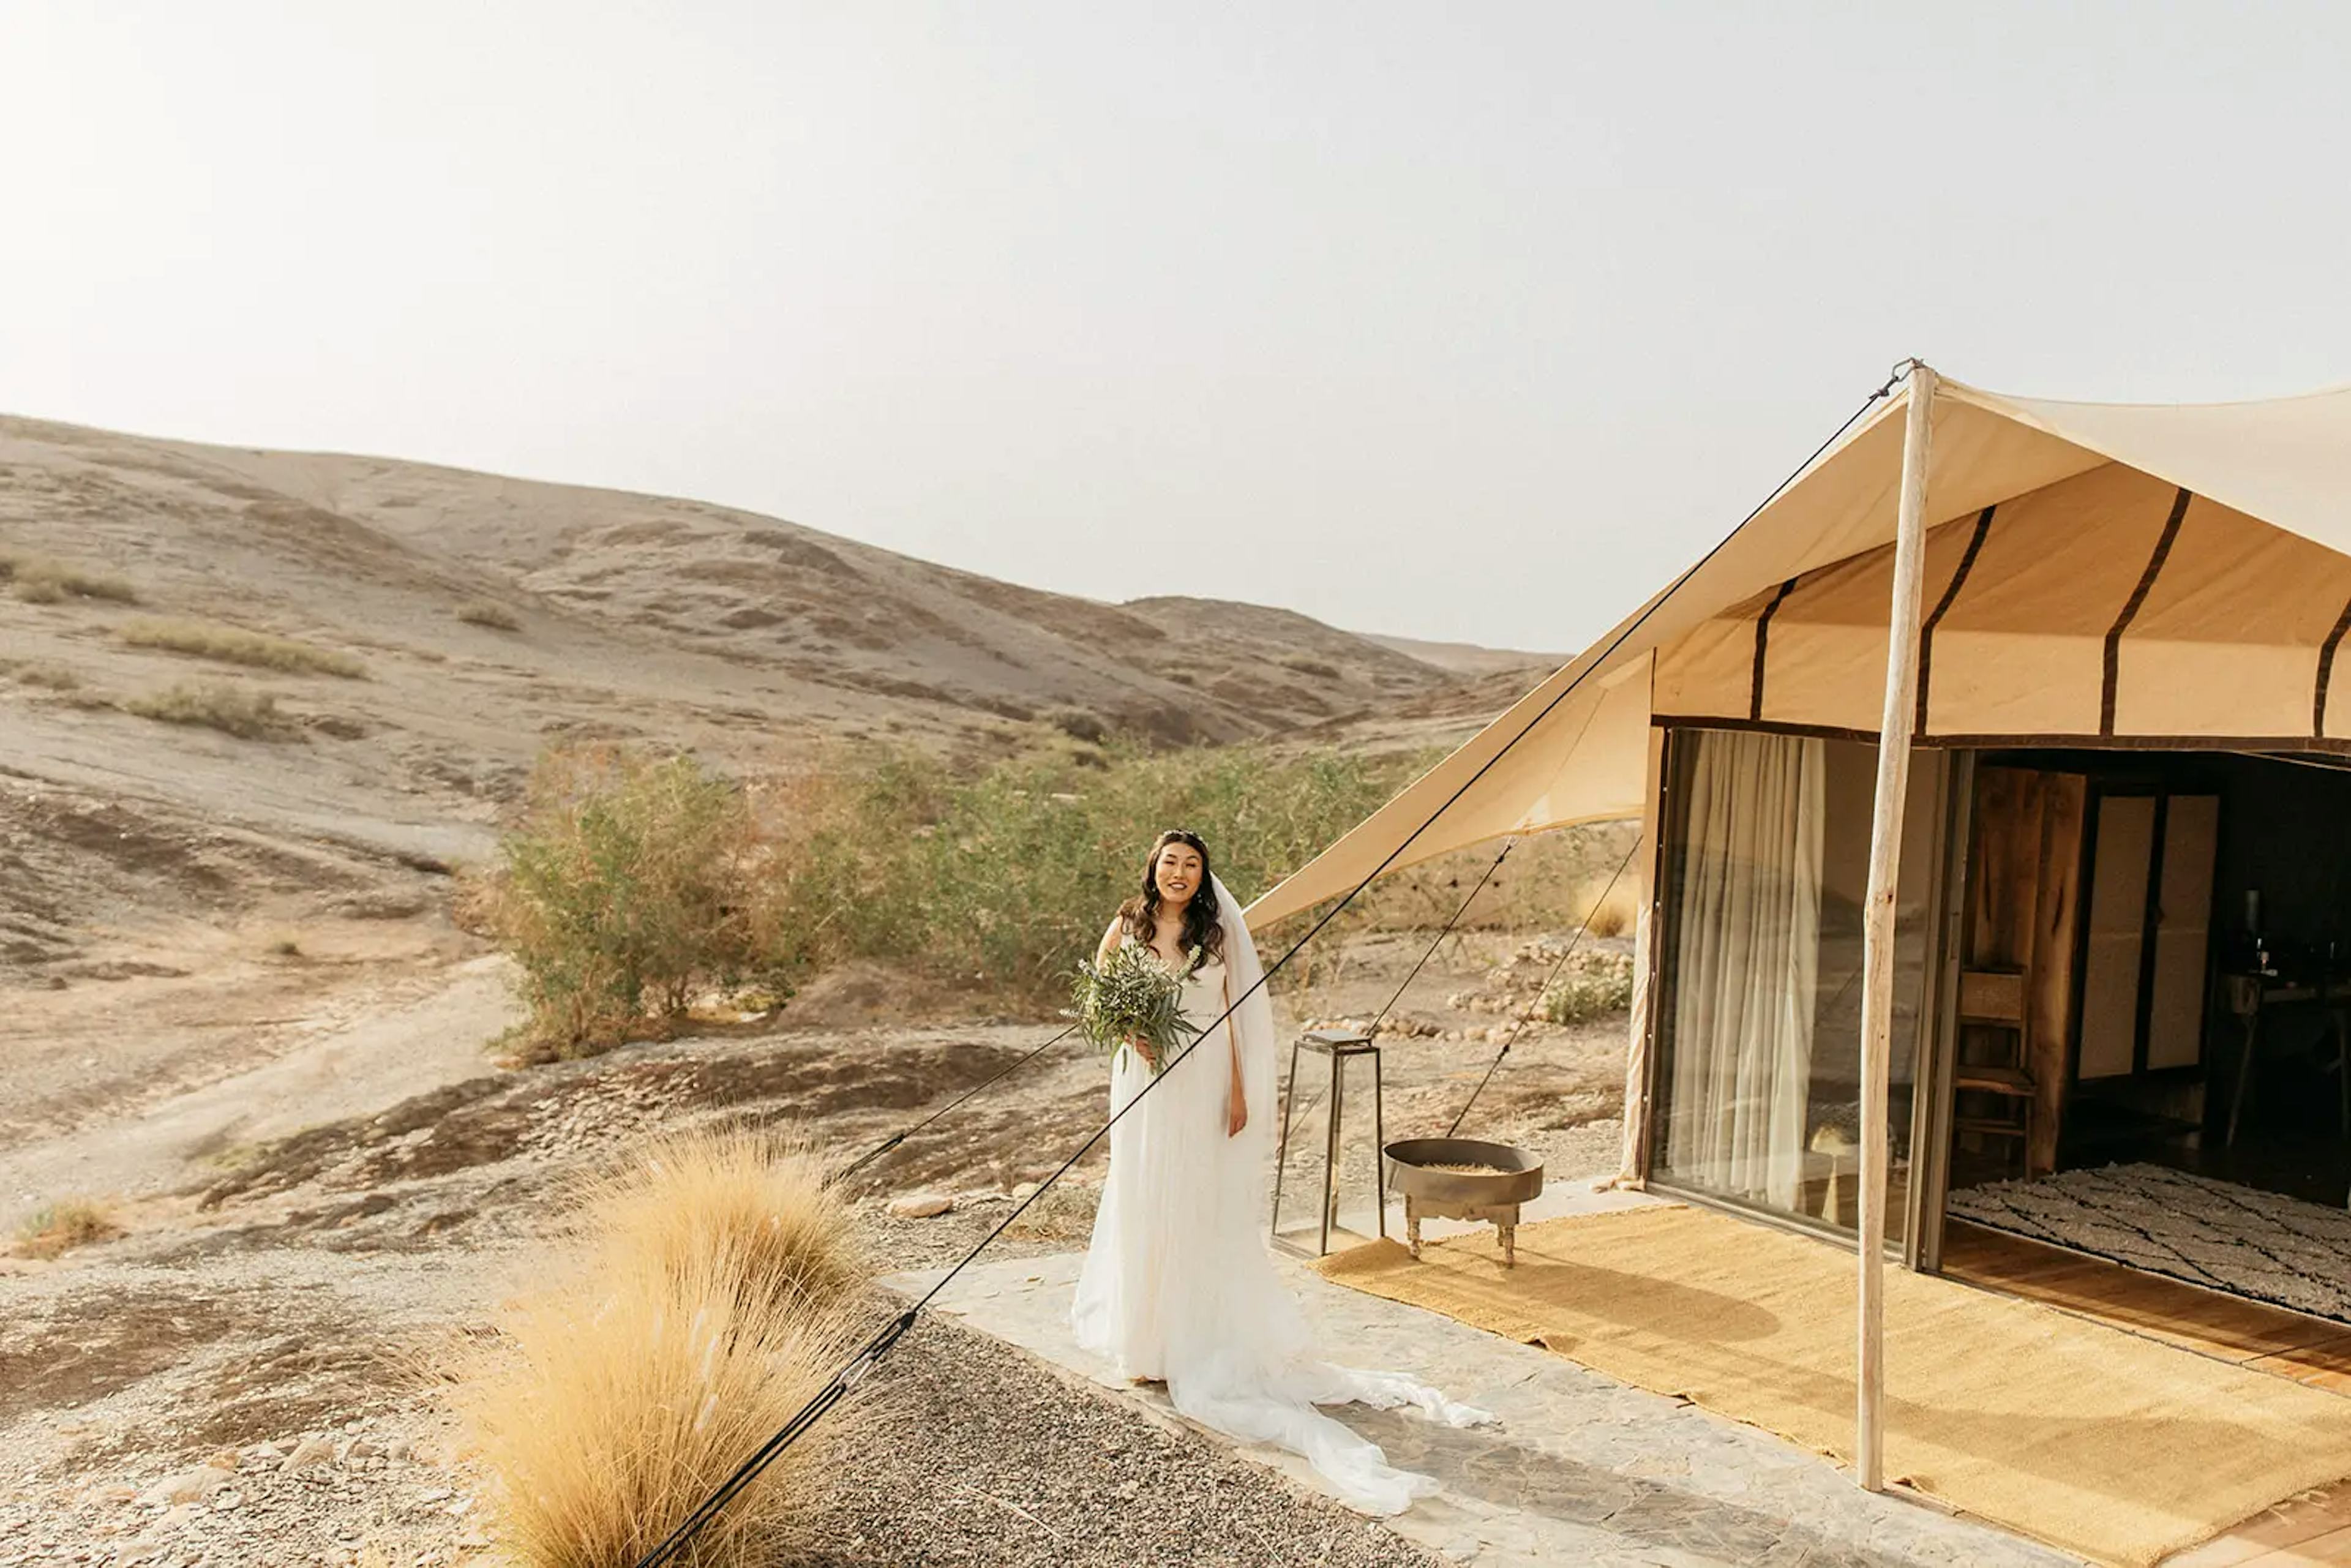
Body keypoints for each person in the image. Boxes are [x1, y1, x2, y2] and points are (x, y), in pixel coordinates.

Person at [1070, 828, 1491, 1515]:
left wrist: (1238, 1088)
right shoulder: (1126, 925)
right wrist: (1131, 1034)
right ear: (1153, 869)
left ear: (1204, 876)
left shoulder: (1215, 933)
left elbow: (1235, 1014)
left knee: (1195, 1202)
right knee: (1146, 1197)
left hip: (1205, 1077)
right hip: (1144, 1080)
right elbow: (1099, 1000)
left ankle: (1188, 1334)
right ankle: (1144, 1338)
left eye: (1192, 864)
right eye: (1169, 861)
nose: (1179, 872)